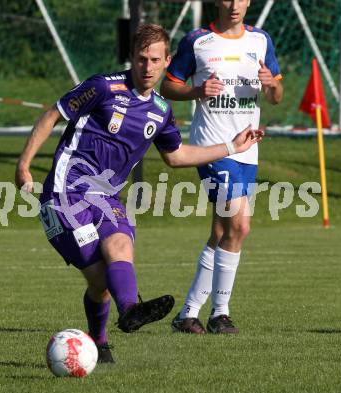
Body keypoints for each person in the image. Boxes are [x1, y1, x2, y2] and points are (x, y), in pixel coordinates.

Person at [15, 23, 263, 363]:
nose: (148, 68)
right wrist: (24, 166)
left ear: (167, 61)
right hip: (63, 194)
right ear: (131, 57)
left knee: (120, 245)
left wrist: (230, 147)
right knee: (101, 280)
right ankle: (101, 339)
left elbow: (176, 156)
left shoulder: (160, 111)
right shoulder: (103, 87)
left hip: (105, 198)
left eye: (155, 60)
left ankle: (129, 313)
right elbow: (52, 115)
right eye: (142, 59)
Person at [161, 0, 283, 334]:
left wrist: (271, 84)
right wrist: (197, 90)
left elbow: (276, 96)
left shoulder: (261, 40)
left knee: (222, 231)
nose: (233, 5)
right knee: (240, 225)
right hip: (211, 148)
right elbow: (168, 85)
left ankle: (187, 314)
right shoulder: (197, 41)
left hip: (247, 150)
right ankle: (220, 313)